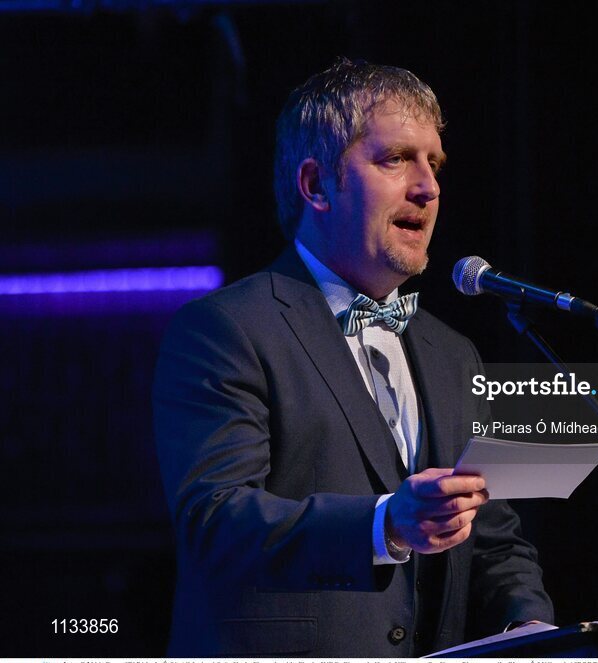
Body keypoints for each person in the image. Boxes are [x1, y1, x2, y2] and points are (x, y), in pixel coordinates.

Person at [152, 57, 553, 657]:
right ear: (316, 185)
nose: (428, 187)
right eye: (396, 159)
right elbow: (217, 521)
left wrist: (527, 626)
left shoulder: (453, 353)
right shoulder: (226, 329)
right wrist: (385, 524)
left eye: (435, 164)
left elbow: (493, 536)